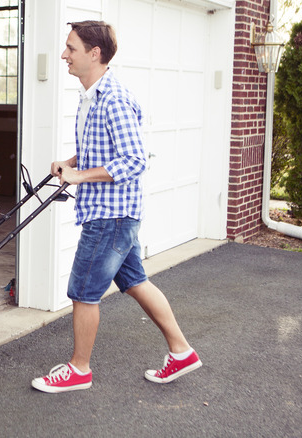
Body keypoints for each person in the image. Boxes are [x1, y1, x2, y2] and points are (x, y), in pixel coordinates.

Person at [31, 20, 202, 393]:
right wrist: (72, 162)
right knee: (135, 281)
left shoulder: (114, 99)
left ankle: (79, 370)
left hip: (110, 216)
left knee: (83, 292)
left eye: (71, 48)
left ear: (95, 54)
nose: (64, 55)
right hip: (114, 214)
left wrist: (80, 177)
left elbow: (135, 159)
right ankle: (182, 351)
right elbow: (103, 150)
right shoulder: (92, 95)